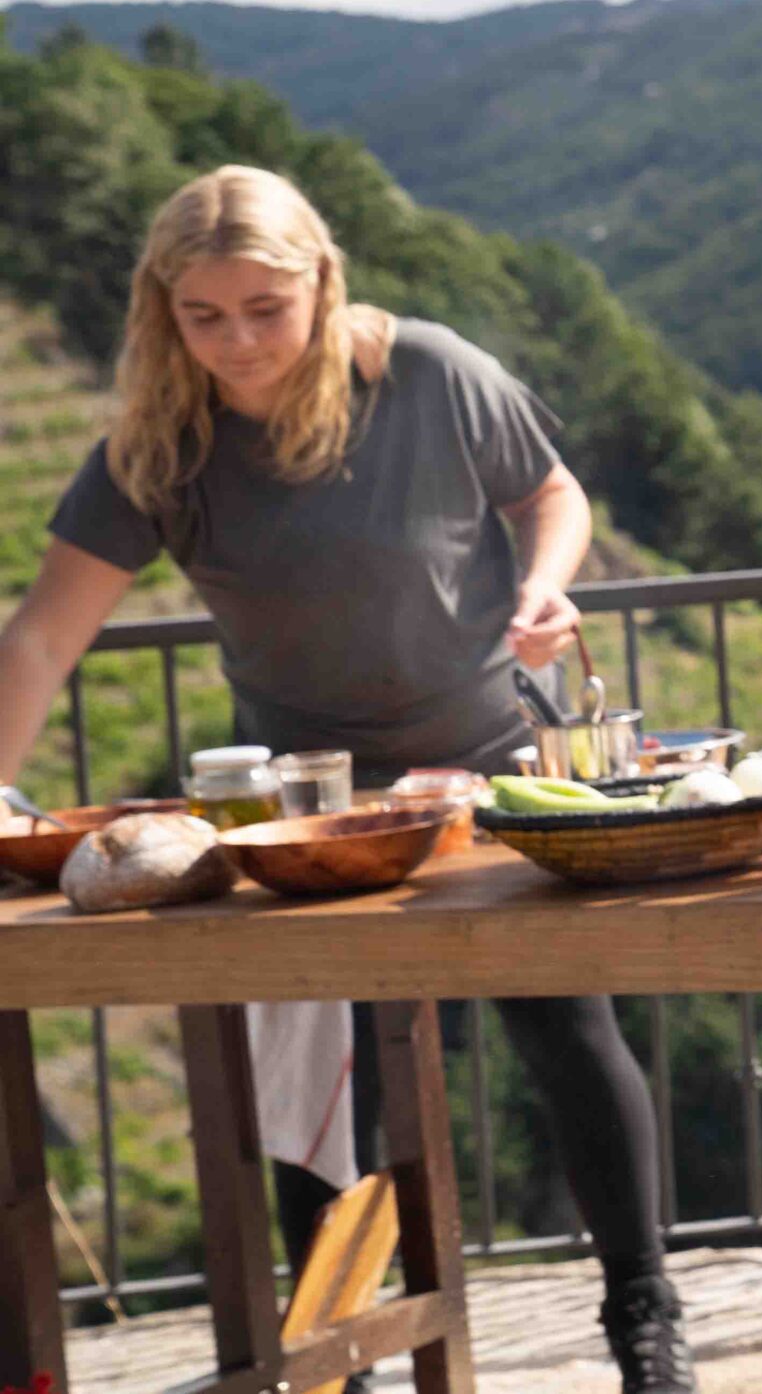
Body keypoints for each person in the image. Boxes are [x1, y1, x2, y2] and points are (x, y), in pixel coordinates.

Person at [0, 166, 695, 1392]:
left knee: (568, 1033)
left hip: (487, 769)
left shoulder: (426, 373)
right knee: (321, 1082)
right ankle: (340, 1359)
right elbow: (46, 634)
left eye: (265, 307)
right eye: (202, 316)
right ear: (163, 309)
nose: (238, 343)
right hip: (304, 807)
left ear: (322, 276)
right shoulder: (162, 443)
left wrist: (543, 581)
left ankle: (645, 1323)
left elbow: (549, 492)